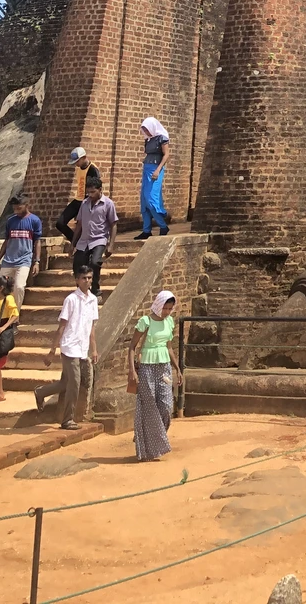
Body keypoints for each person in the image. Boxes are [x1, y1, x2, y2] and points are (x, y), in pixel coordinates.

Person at [43, 265, 99, 429]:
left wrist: (94, 349)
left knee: (66, 382)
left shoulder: (93, 300)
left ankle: (41, 392)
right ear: (77, 280)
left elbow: (91, 327)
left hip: (82, 346)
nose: (87, 281)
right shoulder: (71, 299)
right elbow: (62, 326)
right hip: (69, 346)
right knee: (75, 382)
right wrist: (53, 349)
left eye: (89, 278)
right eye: (84, 278)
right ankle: (67, 419)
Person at [128, 290, 180, 461]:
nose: (167, 312)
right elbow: (132, 347)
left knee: (166, 406)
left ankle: (151, 438)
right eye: (165, 308)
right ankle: (146, 446)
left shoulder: (169, 321)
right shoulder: (145, 321)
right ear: (158, 305)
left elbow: (169, 347)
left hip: (164, 367)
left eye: (170, 309)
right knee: (148, 407)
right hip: (147, 368)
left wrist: (177, 368)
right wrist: (132, 370)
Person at [70, 182, 118, 300]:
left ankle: (96, 290)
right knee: (78, 264)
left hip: (99, 239)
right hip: (84, 240)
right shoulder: (84, 204)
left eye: (93, 192)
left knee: (95, 263)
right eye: (88, 192)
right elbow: (79, 224)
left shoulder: (108, 204)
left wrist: (111, 245)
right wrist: (73, 243)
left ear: (100, 189)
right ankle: (81, 291)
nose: (90, 195)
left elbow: (113, 224)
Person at [0, 194, 42, 305]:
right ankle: (3, 313)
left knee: (19, 287)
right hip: (8, 260)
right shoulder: (10, 221)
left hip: (24, 260)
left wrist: (36, 262)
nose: (16, 211)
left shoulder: (34, 220)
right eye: (14, 209)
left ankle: (15, 313)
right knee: (1, 288)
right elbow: (7, 241)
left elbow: (37, 241)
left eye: (18, 208)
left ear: (26, 205)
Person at [55, 148, 103, 246]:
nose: (76, 164)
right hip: (78, 200)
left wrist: (87, 206)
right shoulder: (79, 169)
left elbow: (96, 189)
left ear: (83, 157)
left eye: (77, 161)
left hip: (87, 201)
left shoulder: (93, 170)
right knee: (60, 223)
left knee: (83, 227)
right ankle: (76, 242)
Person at [137, 118, 170, 240]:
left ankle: (163, 226)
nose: (146, 132)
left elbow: (166, 154)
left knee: (151, 199)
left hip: (155, 169)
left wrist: (158, 170)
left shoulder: (162, 138)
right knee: (144, 200)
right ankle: (146, 230)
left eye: (147, 129)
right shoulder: (148, 139)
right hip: (147, 168)